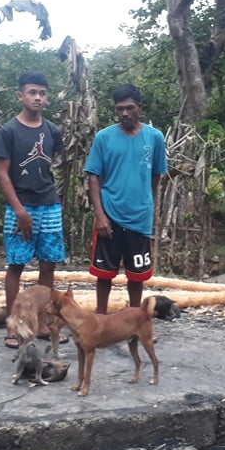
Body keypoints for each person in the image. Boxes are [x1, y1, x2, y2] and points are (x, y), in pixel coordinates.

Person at [0, 71, 67, 349]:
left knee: (48, 263)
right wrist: (19, 210)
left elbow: (49, 164)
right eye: (32, 92)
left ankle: (43, 322)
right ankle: (14, 325)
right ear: (21, 95)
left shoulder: (52, 131)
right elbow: (2, 173)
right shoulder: (8, 131)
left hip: (49, 204)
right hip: (20, 206)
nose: (37, 97)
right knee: (16, 265)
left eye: (42, 93)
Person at [85, 83, 168, 314]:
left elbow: (156, 175)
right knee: (104, 273)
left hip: (139, 218)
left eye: (129, 108)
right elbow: (93, 177)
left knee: (136, 275)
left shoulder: (154, 138)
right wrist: (100, 215)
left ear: (139, 108)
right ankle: (101, 318)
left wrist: (146, 202)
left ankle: (135, 319)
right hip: (110, 215)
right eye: (119, 108)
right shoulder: (104, 138)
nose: (124, 113)